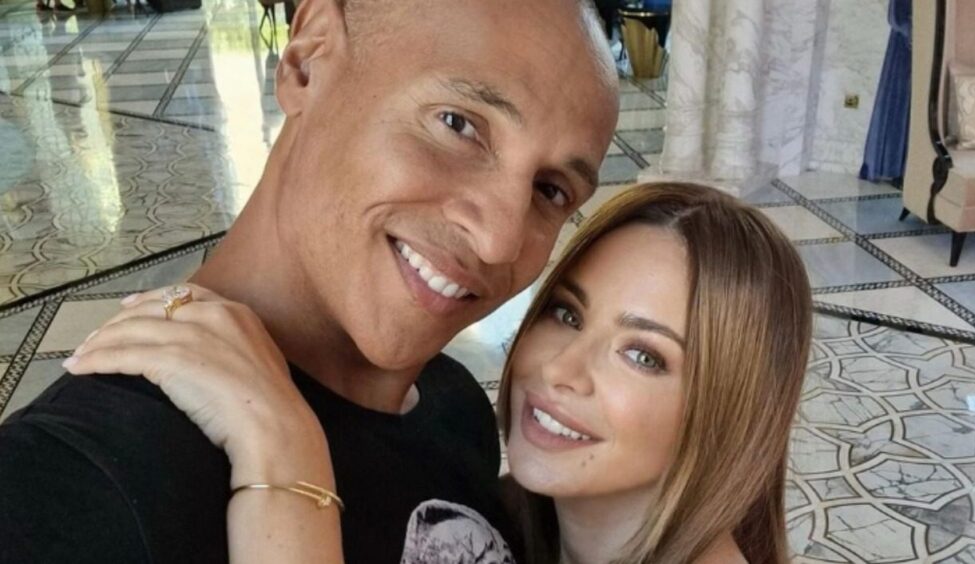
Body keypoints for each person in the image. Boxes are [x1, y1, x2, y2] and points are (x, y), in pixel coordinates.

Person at [0, 0, 618, 561]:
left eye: (549, 190)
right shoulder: (76, 483)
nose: (499, 241)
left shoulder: (452, 404)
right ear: (306, 61)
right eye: (458, 124)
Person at [63, 183, 813, 563]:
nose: (561, 370)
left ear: (731, 413)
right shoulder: (510, 510)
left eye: (644, 355)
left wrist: (283, 456)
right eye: (567, 314)